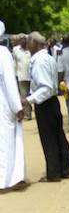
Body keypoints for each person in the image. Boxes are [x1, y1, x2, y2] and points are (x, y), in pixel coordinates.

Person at [25, 32, 69, 182]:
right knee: (58, 135)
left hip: (45, 103)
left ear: (34, 43)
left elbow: (45, 88)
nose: (27, 45)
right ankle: (65, 169)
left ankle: (53, 173)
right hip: (51, 102)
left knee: (49, 138)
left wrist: (28, 100)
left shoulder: (40, 61)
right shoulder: (48, 58)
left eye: (28, 41)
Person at [0, 21, 27, 192]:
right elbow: (9, 82)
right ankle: (6, 179)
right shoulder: (3, 52)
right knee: (7, 141)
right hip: (3, 103)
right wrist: (17, 107)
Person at [12, 34, 32, 120]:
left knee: (32, 95)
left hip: (32, 77)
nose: (23, 41)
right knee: (24, 96)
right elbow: (14, 63)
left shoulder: (31, 50)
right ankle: (27, 114)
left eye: (24, 39)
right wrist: (14, 74)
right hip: (21, 76)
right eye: (21, 39)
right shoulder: (16, 50)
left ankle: (31, 111)